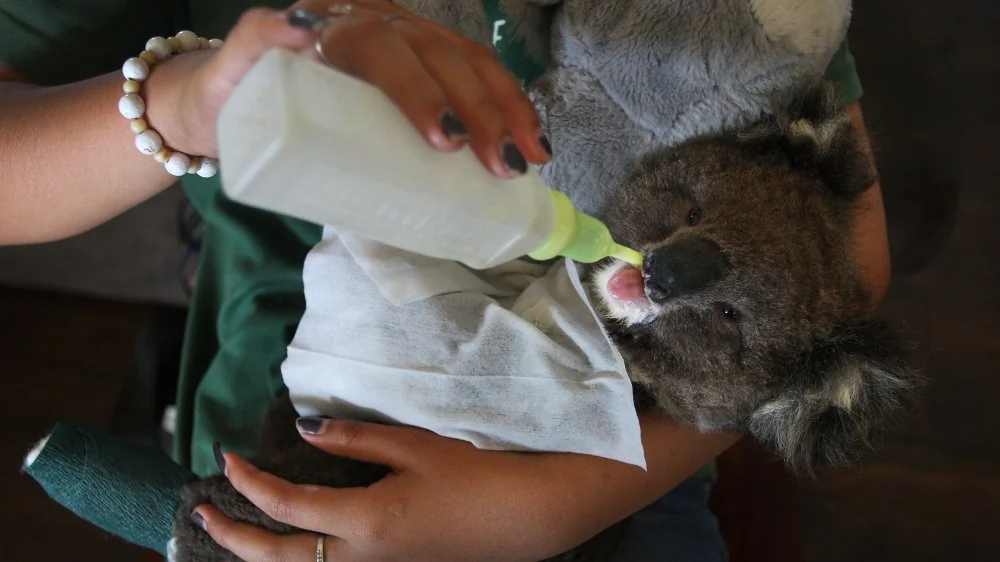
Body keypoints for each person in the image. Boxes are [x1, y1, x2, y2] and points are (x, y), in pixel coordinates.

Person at [0, 1, 890, 560]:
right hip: (292, 429)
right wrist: (185, 102)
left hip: (623, 460)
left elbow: (837, 274)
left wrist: (554, 507)